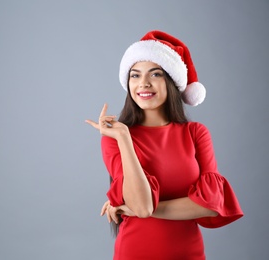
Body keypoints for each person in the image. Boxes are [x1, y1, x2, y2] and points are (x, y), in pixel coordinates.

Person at [85, 30, 243, 260]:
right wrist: (125, 139)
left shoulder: (195, 133)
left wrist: (135, 209)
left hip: (189, 253)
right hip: (135, 252)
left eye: (155, 74)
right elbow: (142, 206)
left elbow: (210, 205)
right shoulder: (115, 137)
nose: (144, 84)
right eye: (135, 75)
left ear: (171, 81)